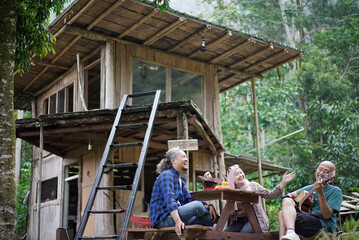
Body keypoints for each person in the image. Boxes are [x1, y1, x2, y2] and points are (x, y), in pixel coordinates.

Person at [149, 147, 218, 236]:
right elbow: (169, 200)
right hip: (163, 219)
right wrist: (178, 221)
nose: (186, 159)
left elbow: (188, 199)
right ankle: (218, 217)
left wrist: (208, 206)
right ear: (173, 160)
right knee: (197, 206)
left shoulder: (181, 180)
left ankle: (215, 218)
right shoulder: (166, 175)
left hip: (174, 215)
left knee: (208, 218)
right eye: (183, 157)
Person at [208, 165, 295, 233]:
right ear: (231, 178)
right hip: (238, 221)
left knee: (243, 236)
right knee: (225, 234)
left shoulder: (253, 185)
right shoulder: (230, 190)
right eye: (237, 174)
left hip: (255, 220)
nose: (241, 175)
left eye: (241, 172)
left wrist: (283, 183)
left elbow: (270, 195)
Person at [279, 161, 342, 240]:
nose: (322, 173)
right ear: (316, 170)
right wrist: (300, 201)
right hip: (306, 219)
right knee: (285, 205)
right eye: (320, 169)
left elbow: (326, 215)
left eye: (326, 172)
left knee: (285, 215)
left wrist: (320, 193)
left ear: (331, 176)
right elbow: (290, 195)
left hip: (323, 223)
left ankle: (291, 232)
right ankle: (290, 233)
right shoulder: (311, 187)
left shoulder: (335, 191)